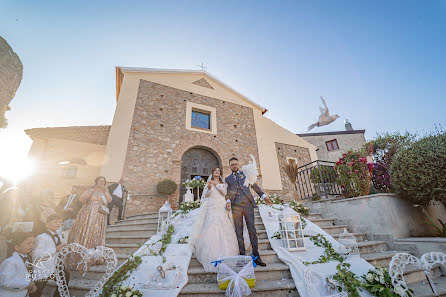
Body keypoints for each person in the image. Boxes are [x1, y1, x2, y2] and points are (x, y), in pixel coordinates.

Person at [188, 168, 239, 272]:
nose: (217, 172)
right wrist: (209, 188)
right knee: (210, 226)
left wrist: (216, 185)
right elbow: (206, 195)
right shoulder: (209, 182)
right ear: (212, 173)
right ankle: (211, 254)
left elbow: (224, 193)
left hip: (221, 205)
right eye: (215, 171)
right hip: (211, 205)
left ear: (220, 174)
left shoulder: (222, 182)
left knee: (224, 225)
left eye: (219, 171)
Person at [225, 157, 272, 267]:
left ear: (238, 164)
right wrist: (227, 201)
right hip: (236, 207)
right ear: (230, 166)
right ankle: (242, 257)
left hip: (248, 205)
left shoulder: (245, 174)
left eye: (236, 164)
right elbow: (228, 193)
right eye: (232, 165)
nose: (234, 166)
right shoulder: (228, 179)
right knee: (239, 231)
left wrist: (264, 196)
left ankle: (256, 256)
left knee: (252, 230)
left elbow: (255, 186)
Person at [66, 176, 112, 273]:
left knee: (96, 233)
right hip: (89, 213)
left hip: (100, 215)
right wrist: (91, 195)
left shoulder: (104, 192)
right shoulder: (90, 190)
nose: (102, 182)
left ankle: (94, 256)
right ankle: (80, 256)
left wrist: (106, 191)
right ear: (96, 181)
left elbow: (110, 200)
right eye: (100, 181)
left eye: (103, 181)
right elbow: (81, 199)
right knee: (87, 231)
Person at [30, 214, 68, 297]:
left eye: (60, 222)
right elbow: (36, 255)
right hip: (43, 267)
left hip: (55, 265)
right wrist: (55, 250)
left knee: (65, 276)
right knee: (38, 290)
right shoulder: (41, 237)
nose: (58, 224)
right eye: (55, 222)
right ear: (47, 224)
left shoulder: (59, 235)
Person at [0, 231, 37, 297]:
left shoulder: (27, 259)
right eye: (28, 243)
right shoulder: (10, 262)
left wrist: (32, 285)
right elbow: (5, 282)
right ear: (16, 247)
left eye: (33, 243)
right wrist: (27, 284)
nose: (32, 245)